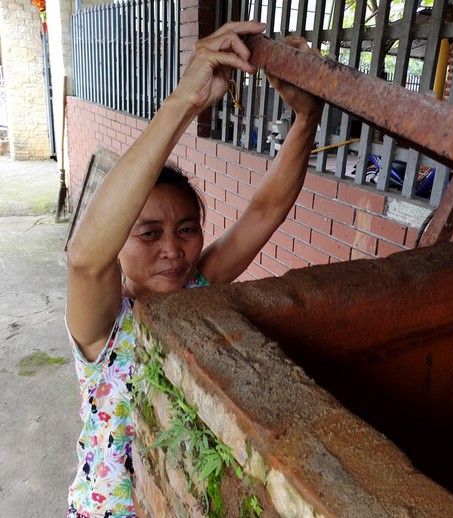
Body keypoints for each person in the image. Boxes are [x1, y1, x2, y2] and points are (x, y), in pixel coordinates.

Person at [65, 20, 323, 517]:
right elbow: (83, 260)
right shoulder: (103, 327)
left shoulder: (201, 287)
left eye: (187, 229)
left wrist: (307, 120)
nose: (173, 249)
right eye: (148, 233)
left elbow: (264, 211)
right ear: (117, 243)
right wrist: (186, 99)